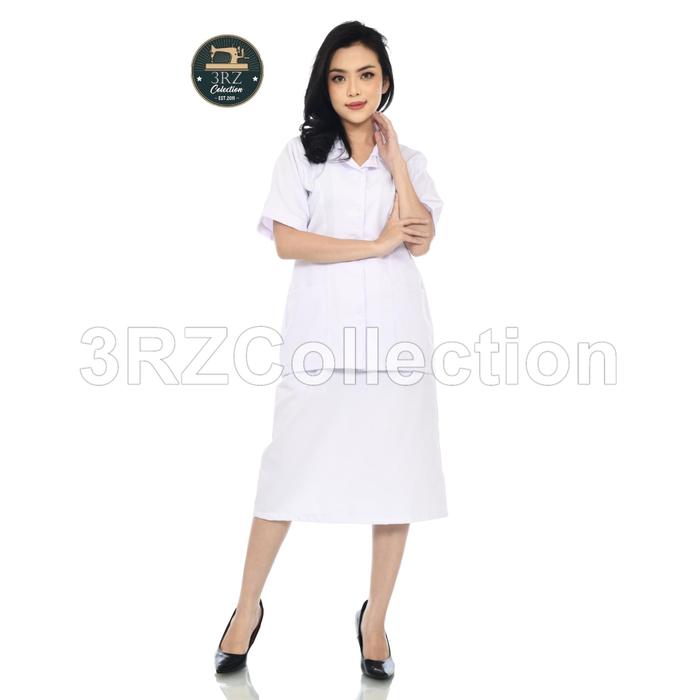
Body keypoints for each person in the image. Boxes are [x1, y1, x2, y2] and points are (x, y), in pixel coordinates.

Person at [215, 21, 448, 681]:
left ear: (385, 82)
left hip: (396, 341)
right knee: (284, 474)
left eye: (366, 75)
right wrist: (372, 246)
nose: (354, 89)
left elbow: (421, 237)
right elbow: (288, 241)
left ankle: (375, 623)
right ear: (325, 84)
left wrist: (396, 164)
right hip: (319, 340)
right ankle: (245, 609)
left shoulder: (412, 161)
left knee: (397, 482)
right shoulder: (302, 156)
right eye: (340, 76)